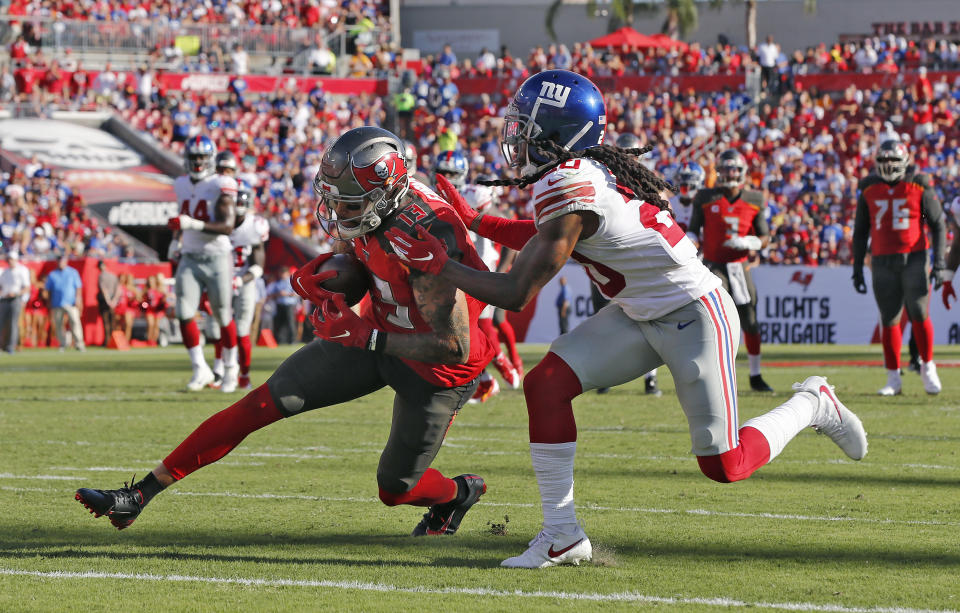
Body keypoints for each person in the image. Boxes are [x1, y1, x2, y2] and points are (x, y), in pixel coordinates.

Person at [385, 69, 868, 569]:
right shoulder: (577, 174)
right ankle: (561, 535)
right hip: (638, 312)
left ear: (554, 136)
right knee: (546, 384)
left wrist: (440, 265)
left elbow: (516, 292)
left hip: (692, 315)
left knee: (726, 464)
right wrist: (479, 222)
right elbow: (547, 235)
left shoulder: (569, 185)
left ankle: (814, 403)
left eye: (525, 128)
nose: (516, 139)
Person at [75, 126, 495, 540]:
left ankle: (458, 493)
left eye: (347, 203)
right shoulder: (376, 203)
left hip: (435, 369)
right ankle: (138, 496)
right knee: (263, 402)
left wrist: (367, 337)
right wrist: (335, 275)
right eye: (332, 198)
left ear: (385, 193)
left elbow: (453, 346)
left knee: (396, 488)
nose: (336, 211)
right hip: (377, 330)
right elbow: (361, 254)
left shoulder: (426, 234)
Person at [854, 139, 945, 395]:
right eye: (883, 160)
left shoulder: (919, 185)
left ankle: (927, 367)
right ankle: (893, 377)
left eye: (893, 159)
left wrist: (938, 261)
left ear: (904, 161)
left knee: (918, 311)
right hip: (882, 260)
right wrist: (857, 266)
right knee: (889, 318)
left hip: (914, 256)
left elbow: (936, 223)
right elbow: (860, 232)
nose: (889, 165)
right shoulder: (869, 188)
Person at [435, 151, 520, 403]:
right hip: (455, 272)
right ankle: (484, 380)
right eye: (444, 172)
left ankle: (503, 365)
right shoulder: (434, 196)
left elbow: (505, 230)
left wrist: (501, 269)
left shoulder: (474, 195)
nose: (447, 177)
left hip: (478, 271)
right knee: (458, 332)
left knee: (481, 329)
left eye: (452, 173)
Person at [689, 148, 774, 393]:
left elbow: (765, 236)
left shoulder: (754, 198)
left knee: (750, 319)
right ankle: (715, 372)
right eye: (725, 169)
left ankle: (755, 374)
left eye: (734, 168)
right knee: (715, 317)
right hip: (714, 266)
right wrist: (690, 240)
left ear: (743, 172)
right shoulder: (706, 197)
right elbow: (695, 229)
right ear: (718, 171)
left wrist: (752, 242)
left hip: (740, 266)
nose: (730, 173)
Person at [167, 135, 241, 393]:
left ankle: (231, 368)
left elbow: (227, 225)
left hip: (218, 256)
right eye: (194, 157)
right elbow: (183, 218)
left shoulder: (222, 183)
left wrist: (191, 224)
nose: (198, 162)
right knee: (183, 312)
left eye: (202, 157)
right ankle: (200, 367)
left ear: (210, 159)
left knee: (222, 315)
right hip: (189, 254)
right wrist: (176, 239)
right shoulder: (180, 184)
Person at [228, 181, 268, 389]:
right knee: (218, 329)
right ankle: (223, 372)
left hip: (244, 282)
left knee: (242, 327)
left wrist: (239, 280)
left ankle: (244, 375)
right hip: (220, 280)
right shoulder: (217, 221)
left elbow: (258, 266)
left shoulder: (254, 226)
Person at [45, 253, 85, 352]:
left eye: (62, 260)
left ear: (66, 261)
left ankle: (79, 343)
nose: (60, 262)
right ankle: (62, 343)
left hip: (71, 302)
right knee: (58, 324)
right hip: (57, 303)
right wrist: (49, 302)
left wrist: (78, 299)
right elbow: (49, 290)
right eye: (58, 260)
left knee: (75, 322)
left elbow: (78, 287)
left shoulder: (73, 272)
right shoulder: (52, 274)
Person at [0, 251, 30, 353]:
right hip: (4, 300)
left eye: (12, 259)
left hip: (15, 299)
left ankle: (11, 346)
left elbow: (26, 287)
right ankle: (2, 345)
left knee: (13, 324)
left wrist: (18, 295)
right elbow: (1, 287)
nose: (10, 261)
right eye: (9, 259)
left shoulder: (22, 270)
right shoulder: (5, 272)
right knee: (2, 323)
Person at [267, 267, 299, 344]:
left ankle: (293, 340)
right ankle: (280, 340)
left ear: (287, 273)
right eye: (281, 273)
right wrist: (278, 294)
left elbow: (297, 294)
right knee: (280, 323)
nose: (282, 275)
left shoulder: (292, 282)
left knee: (290, 323)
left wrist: (286, 294)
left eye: (283, 273)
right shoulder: (277, 283)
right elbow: (271, 295)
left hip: (289, 305)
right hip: (280, 305)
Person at [96, 260, 119, 346]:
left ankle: (108, 341)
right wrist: (114, 300)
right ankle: (113, 341)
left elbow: (104, 289)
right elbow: (118, 289)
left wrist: (109, 301)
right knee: (112, 321)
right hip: (113, 301)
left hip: (105, 301)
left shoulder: (101, 276)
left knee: (106, 322)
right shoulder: (113, 276)